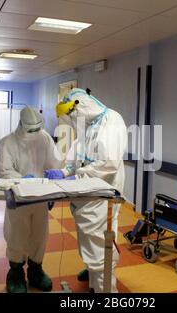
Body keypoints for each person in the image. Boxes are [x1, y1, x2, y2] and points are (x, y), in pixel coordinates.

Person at [45, 88, 127, 293]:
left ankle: (106, 290)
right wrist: (63, 172)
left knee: (101, 247)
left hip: (102, 195)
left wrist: (78, 177)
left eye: (72, 115)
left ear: (80, 107)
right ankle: (94, 277)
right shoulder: (86, 125)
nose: (72, 121)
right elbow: (76, 155)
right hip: (85, 196)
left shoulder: (111, 120)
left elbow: (108, 163)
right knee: (89, 242)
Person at [0, 106, 63, 293]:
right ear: (21, 124)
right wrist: (20, 180)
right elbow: (3, 170)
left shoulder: (45, 138)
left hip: (40, 197)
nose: (34, 133)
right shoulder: (8, 142)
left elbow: (54, 164)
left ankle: (36, 271)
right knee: (17, 234)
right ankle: (16, 274)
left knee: (40, 235)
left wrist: (53, 188)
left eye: (37, 129)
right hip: (18, 198)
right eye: (30, 130)